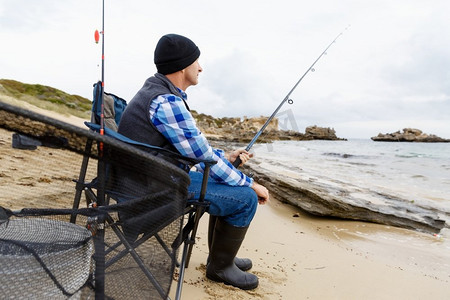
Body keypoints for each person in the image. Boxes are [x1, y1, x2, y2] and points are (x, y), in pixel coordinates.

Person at [118, 33, 270, 290]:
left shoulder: (156, 93)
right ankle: (220, 268)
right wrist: (251, 183)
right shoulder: (166, 101)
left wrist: (226, 158)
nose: (200, 67)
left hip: (148, 179)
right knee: (246, 198)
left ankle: (221, 257)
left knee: (224, 179)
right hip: (151, 191)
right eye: (196, 61)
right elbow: (203, 155)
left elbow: (190, 153)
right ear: (182, 65)